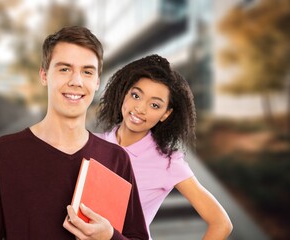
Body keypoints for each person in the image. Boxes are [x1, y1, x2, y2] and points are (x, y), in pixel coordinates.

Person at [0, 26, 148, 240]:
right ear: (44, 75)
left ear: (97, 82)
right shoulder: (1, 155)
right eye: (64, 69)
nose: (76, 81)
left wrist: (110, 237)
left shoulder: (117, 160)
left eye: (87, 72)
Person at [96, 54, 233, 239]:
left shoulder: (167, 163)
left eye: (154, 105)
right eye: (136, 95)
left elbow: (221, 223)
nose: (140, 108)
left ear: (165, 114)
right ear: (124, 94)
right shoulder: (91, 143)